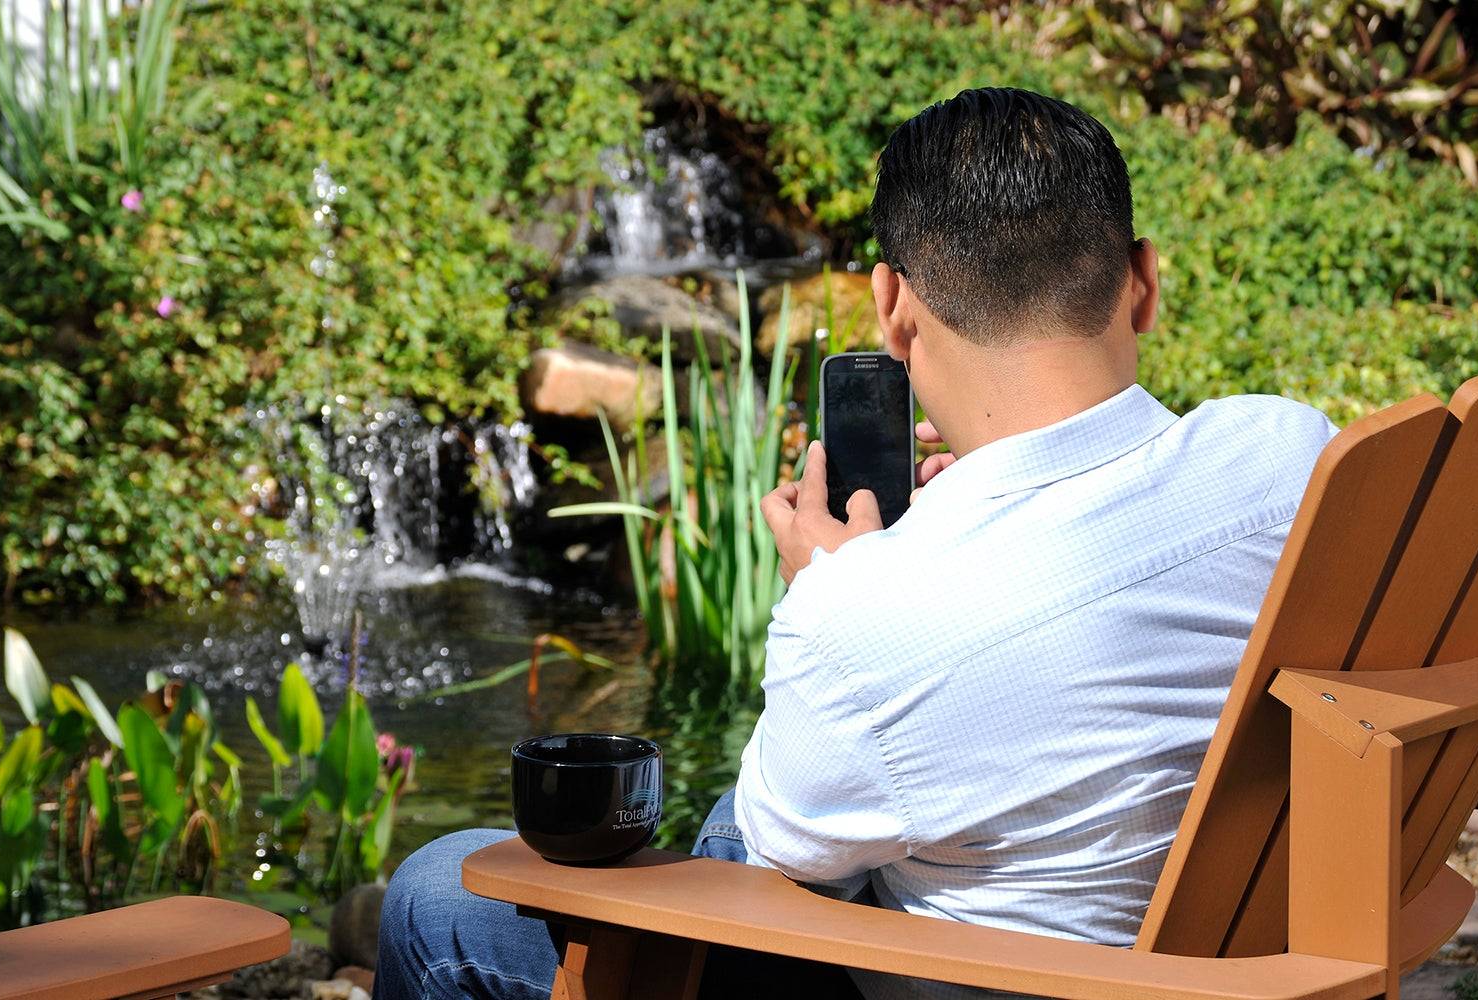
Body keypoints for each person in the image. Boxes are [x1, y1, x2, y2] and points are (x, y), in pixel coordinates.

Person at [374, 87, 1337, 1000]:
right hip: (1255, 969)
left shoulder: (864, 614)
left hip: (985, 981)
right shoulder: (1294, 454)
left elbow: (773, 871)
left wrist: (834, 588)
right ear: (1145, 282)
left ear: (894, 308)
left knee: (435, 893)